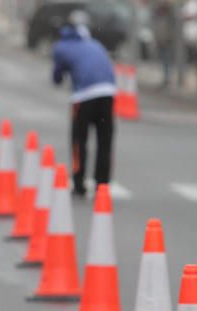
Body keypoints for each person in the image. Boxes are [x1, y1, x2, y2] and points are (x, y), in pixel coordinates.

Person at [51, 10, 117, 198]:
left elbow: (56, 76)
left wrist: (60, 76)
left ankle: (79, 183)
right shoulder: (95, 44)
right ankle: (102, 185)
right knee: (105, 141)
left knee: (80, 141)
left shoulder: (61, 47)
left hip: (84, 96)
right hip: (108, 92)